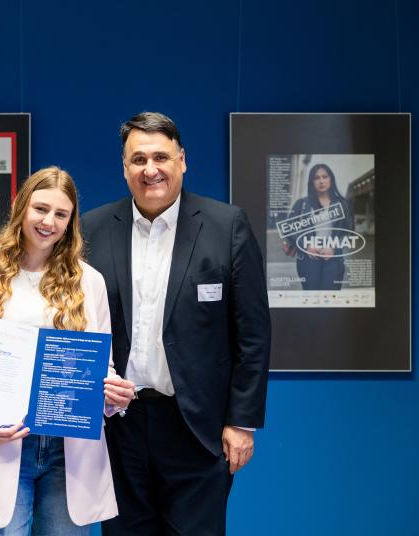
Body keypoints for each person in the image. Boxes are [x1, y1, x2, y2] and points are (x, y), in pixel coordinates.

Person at [81, 112, 271, 535]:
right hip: (119, 426)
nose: (150, 170)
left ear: (182, 160)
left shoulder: (226, 227)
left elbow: (253, 335)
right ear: (124, 168)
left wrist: (241, 422)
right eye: (138, 159)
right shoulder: (91, 229)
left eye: (161, 157)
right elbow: (73, 324)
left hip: (196, 426)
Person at [0, 167, 136, 535]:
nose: (49, 222)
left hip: (67, 452)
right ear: (21, 208)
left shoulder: (89, 282)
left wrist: (113, 395)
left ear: (71, 221)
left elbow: (99, 370)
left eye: (61, 214)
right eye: (41, 209)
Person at [281, 163, 355, 290]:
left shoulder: (343, 204)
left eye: (325, 177)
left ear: (331, 179)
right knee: (311, 297)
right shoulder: (302, 204)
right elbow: (288, 229)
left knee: (331, 298)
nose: (321, 181)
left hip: (333, 258)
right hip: (308, 259)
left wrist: (333, 247)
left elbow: (348, 231)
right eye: (317, 178)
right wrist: (306, 246)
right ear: (312, 182)